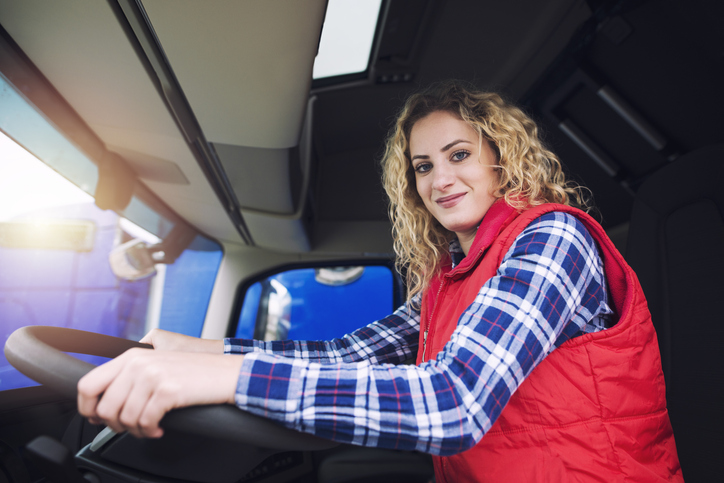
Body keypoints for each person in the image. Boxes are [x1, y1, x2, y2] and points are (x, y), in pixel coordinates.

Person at [78, 81, 682, 482]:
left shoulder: (553, 240)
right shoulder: (452, 275)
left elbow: (454, 404)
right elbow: (347, 354)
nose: (439, 179)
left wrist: (225, 376)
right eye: (423, 166)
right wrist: (203, 351)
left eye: (458, 155)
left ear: (502, 157)